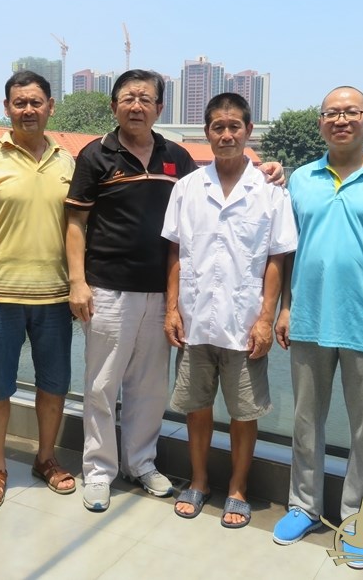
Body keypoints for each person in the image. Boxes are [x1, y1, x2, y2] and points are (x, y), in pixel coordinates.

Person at [65, 69, 284, 512]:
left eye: (146, 99)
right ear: (114, 105)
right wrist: (77, 282)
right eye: (128, 98)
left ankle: (140, 462)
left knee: (149, 387)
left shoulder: (177, 157)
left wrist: (269, 169)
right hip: (109, 288)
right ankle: (100, 470)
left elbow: (222, 181)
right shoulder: (95, 154)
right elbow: (75, 222)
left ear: (160, 108)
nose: (137, 106)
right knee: (102, 384)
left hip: (166, 295)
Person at [273, 86, 363, 567]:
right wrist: (285, 308)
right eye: (332, 113)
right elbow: (288, 251)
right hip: (308, 318)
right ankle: (304, 505)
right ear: (320, 123)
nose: (341, 120)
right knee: (305, 420)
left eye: (352, 112)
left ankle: (359, 519)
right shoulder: (301, 179)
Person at [163, 93, 296, 528]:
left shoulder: (270, 192)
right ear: (207, 132)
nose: (226, 135)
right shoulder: (187, 188)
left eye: (234, 126)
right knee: (196, 407)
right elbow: (175, 253)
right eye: (217, 127)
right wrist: (171, 309)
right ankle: (199, 481)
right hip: (195, 318)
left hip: (245, 322)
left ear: (248, 131)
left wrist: (266, 317)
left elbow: (277, 258)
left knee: (244, 412)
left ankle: (238, 488)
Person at [0, 71, 76, 510]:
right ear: (7, 108)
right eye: (19, 102)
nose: (28, 110)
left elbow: (77, 228)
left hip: (55, 296)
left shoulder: (68, 161)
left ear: (50, 107)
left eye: (36, 102)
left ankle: (46, 458)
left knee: (54, 384)